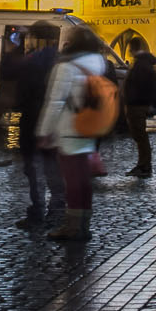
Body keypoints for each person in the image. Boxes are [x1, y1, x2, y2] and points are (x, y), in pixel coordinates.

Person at [38, 27, 110, 241]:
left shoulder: (67, 67)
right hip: (89, 127)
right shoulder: (98, 63)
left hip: (69, 128)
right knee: (83, 180)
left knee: (72, 181)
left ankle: (73, 227)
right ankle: (83, 224)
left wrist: (44, 130)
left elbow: (56, 101)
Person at [1, 20, 65, 227]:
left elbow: (7, 72)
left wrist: (12, 48)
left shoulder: (33, 60)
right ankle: (57, 210)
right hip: (57, 122)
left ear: (35, 38)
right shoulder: (61, 60)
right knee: (54, 169)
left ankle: (37, 211)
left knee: (35, 170)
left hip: (33, 120)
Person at [122, 46, 156, 177]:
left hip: (136, 104)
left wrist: (132, 99)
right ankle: (143, 165)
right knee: (139, 135)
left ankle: (144, 166)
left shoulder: (141, 67)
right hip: (137, 104)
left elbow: (138, 86)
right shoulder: (145, 66)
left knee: (140, 135)